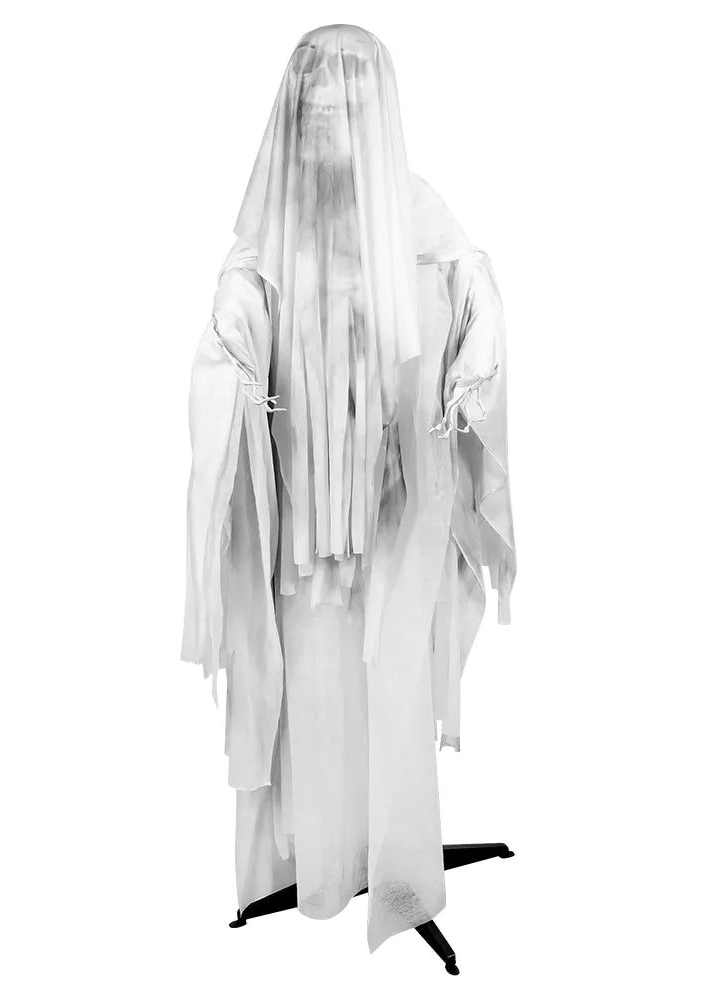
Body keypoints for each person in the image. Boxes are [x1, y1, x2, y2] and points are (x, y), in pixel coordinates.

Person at [182, 23, 516, 952]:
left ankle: (396, 857)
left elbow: (474, 292)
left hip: (398, 506)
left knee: (392, 674)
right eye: (313, 110)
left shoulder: (414, 212)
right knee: (319, 680)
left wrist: (470, 369)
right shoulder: (273, 231)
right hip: (309, 521)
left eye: (346, 108)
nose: (327, 125)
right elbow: (236, 310)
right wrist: (234, 361)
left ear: (375, 116)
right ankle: (331, 858)